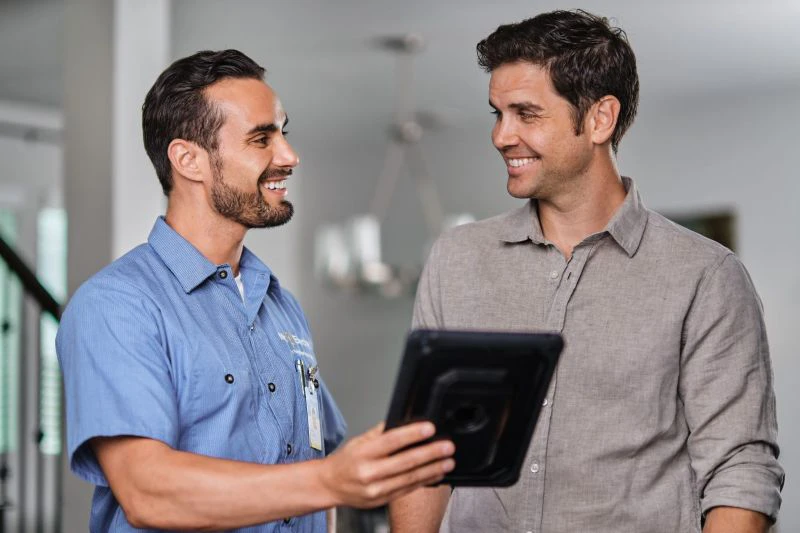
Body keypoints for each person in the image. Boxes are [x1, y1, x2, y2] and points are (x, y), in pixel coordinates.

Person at [389, 10, 783, 533]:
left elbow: (740, 469)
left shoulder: (704, 276)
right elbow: (424, 449)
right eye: (497, 113)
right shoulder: (457, 260)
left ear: (600, 118)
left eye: (526, 114)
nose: (501, 136)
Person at [56, 49, 455, 532]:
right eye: (261, 138)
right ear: (188, 159)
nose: (288, 155)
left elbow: (317, 456)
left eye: (283, 133)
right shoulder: (117, 305)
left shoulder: (280, 307)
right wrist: (330, 480)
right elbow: (147, 490)